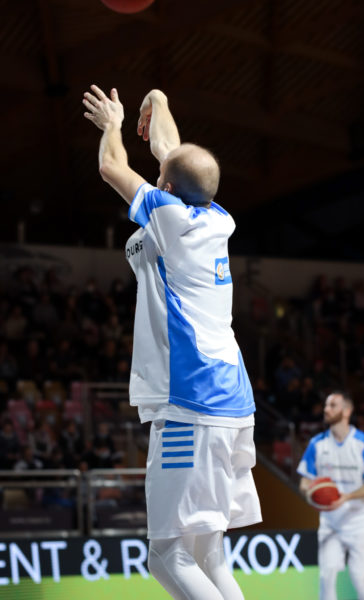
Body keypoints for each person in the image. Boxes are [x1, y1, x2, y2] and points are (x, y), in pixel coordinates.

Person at [83, 84, 261, 599]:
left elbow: (111, 167)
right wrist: (158, 99)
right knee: (209, 554)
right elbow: (173, 155)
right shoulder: (216, 217)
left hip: (190, 403)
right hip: (232, 405)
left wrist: (113, 125)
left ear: (165, 186)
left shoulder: (167, 215)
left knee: (165, 555)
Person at [297, 391, 364, 600]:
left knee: (359, 577)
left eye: (332, 405)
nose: (326, 409)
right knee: (327, 575)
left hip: (360, 520)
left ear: (347, 411)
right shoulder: (317, 444)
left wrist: (346, 497)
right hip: (331, 522)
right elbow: (304, 482)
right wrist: (310, 493)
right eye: (326, 405)